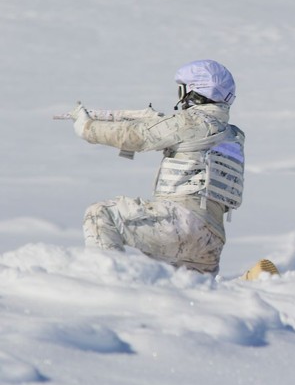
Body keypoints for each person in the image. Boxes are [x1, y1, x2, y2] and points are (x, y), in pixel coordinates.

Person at [70, 59, 245, 274]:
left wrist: (87, 128)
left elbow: (136, 136)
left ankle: (105, 283)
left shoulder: (191, 122)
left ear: (193, 92)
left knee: (101, 214)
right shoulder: (233, 136)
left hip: (182, 222)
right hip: (211, 239)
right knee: (186, 294)